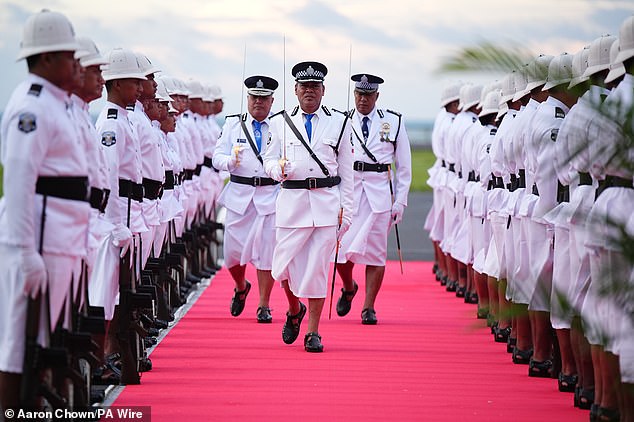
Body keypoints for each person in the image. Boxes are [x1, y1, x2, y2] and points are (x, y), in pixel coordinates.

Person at [0, 10, 90, 409]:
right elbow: (19, 180)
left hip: (61, 234)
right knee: (21, 342)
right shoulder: (32, 107)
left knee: (46, 338)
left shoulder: (59, 103)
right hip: (40, 235)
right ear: (48, 58)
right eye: (70, 56)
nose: (77, 64)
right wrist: (23, 251)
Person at [263, 61, 353, 352]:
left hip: (326, 206)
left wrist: (347, 211)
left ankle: (313, 331)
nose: (309, 92)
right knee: (282, 268)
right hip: (291, 205)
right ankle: (294, 309)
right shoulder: (279, 122)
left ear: (323, 90)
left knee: (317, 270)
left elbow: (347, 172)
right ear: (296, 90)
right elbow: (267, 159)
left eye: (315, 87)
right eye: (304, 87)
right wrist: (278, 169)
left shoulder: (339, 122)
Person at [334, 73, 411, 324]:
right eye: (358, 94)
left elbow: (404, 166)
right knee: (340, 253)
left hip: (379, 196)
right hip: (350, 194)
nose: (362, 99)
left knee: (376, 254)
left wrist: (400, 200)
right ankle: (348, 287)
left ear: (376, 96)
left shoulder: (393, 121)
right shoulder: (342, 121)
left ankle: (369, 307)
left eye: (367, 95)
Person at [213, 75, 280, 322]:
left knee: (266, 252)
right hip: (240, 197)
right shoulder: (233, 125)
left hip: (269, 196)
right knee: (231, 254)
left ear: (271, 101)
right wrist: (229, 161)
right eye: (254, 98)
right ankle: (241, 286)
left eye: (264, 98)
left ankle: (264, 304)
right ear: (247, 99)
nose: (258, 103)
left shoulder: (281, 126)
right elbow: (216, 157)